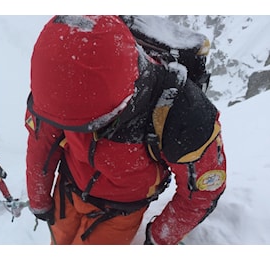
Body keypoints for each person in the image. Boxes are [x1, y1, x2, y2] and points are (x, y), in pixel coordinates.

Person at [24, 15, 226, 245]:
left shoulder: (183, 113)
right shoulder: (60, 86)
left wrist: (158, 238)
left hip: (120, 212)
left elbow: (201, 192)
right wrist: (38, 199)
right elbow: (41, 140)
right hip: (68, 190)